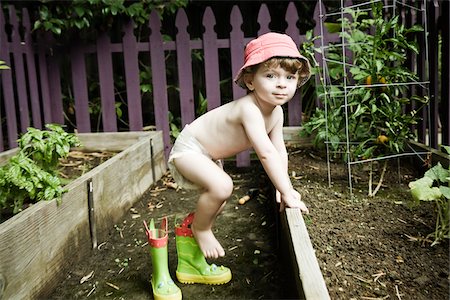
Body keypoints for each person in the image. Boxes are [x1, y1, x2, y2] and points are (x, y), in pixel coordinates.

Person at [168, 32, 311, 260]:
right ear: (250, 81)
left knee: (218, 202)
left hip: (208, 154)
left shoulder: (276, 113)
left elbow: (278, 151)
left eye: (290, 77)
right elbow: (264, 153)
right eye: (271, 76)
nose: (282, 84)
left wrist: (284, 188)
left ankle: (193, 230)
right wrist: (286, 191)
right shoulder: (249, 109)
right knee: (223, 186)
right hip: (190, 148)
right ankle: (201, 229)